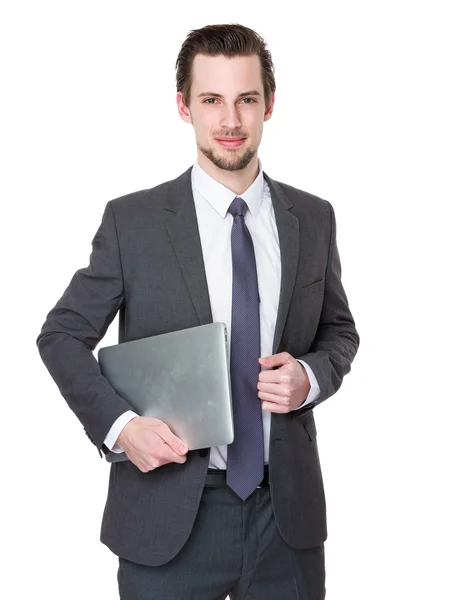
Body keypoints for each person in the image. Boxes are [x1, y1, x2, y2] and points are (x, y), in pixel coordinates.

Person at [36, 22, 359, 600]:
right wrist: (121, 428)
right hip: (167, 516)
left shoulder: (314, 218)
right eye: (212, 100)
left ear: (269, 105)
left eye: (246, 100)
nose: (230, 121)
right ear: (184, 106)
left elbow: (339, 331)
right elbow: (61, 336)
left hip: (285, 519)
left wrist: (310, 376)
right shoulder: (131, 222)